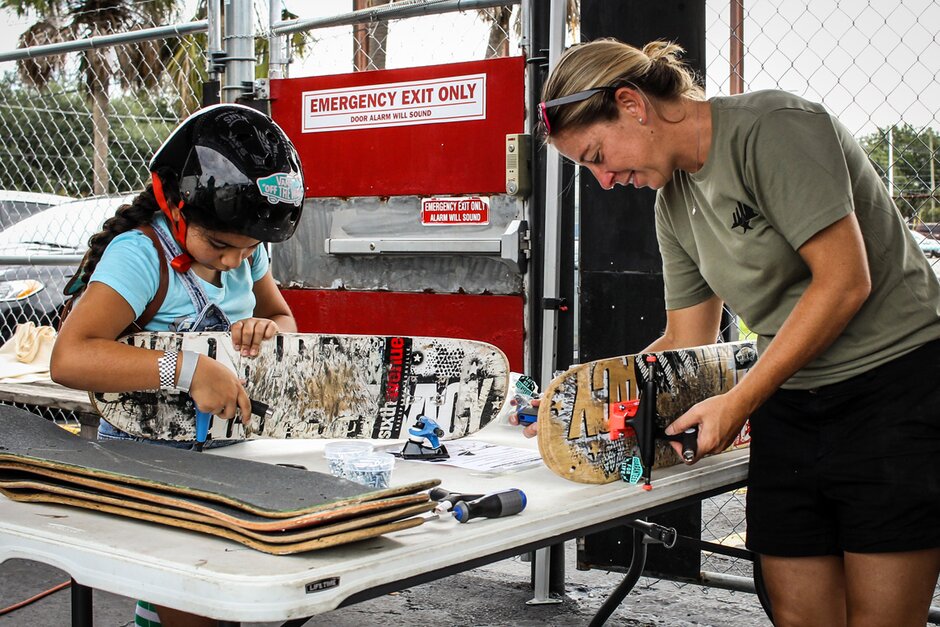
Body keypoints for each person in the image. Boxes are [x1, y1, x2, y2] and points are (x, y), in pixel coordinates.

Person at [530, 38, 940, 626]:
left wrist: (740, 400)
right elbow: (686, 340)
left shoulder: (773, 128)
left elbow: (846, 282)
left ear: (632, 103)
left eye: (596, 154)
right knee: (800, 616)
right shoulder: (671, 204)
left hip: (893, 388)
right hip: (791, 399)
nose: (603, 180)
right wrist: (579, 397)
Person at [51, 103, 305, 627]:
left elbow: (283, 319)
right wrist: (189, 371)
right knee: (202, 606)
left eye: (248, 248)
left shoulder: (242, 252)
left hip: (231, 452)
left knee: (265, 594)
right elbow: (70, 357)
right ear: (174, 204)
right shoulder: (140, 255)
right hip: (149, 460)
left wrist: (266, 330)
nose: (236, 261)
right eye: (219, 246)